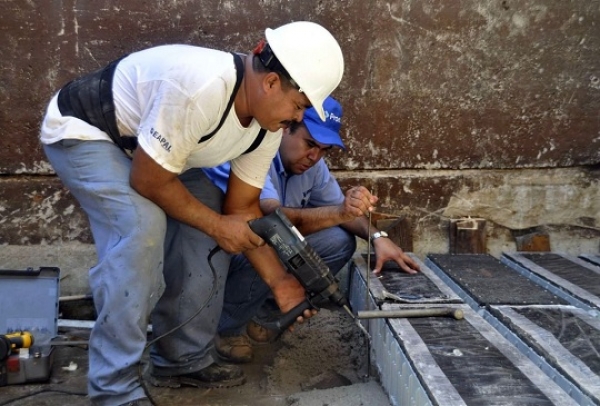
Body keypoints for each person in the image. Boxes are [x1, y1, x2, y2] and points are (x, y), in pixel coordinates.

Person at [39, 21, 344, 406]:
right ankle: (114, 390)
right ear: (270, 84)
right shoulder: (203, 87)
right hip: (89, 130)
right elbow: (149, 180)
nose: (298, 119)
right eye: (299, 106)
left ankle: (181, 360)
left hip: (158, 154)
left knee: (204, 219)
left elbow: (242, 209)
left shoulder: (266, 126)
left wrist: (281, 283)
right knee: (141, 228)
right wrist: (219, 226)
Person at [202, 96, 421, 363]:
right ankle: (226, 328)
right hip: (224, 256)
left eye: (324, 150)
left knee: (339, 241)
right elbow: (269, 218)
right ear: (286, 128)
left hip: (265, 253)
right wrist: (340, 212)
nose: (314, 156)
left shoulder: (313, 167)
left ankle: (265, 315)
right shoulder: (256, 152)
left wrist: (377, 237)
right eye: (310, 144)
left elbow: (340, 211)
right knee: (265, 240)